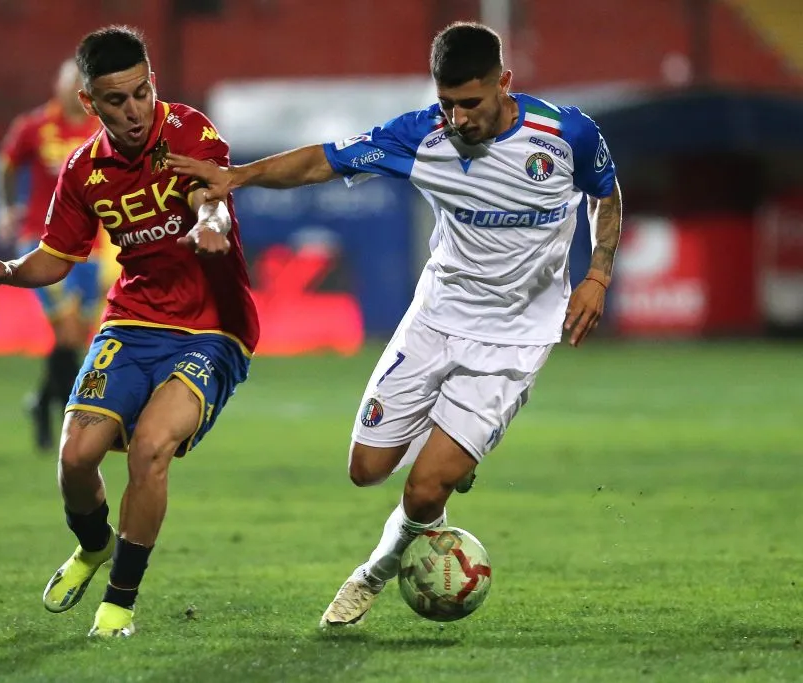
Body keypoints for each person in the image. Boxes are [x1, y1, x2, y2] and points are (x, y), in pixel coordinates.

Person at [168, 21, 622, 627]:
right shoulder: (420, 136)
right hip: (434, 320)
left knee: (423, 488)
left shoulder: (566, 133)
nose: (458, 119)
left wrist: (597, 274)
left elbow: (606, 194)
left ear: (503, 83)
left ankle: (371, 574)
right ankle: (452, 451)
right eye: (447, 104)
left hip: (514, 337)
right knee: (366, 471)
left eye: (471, 103)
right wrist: (239, 177)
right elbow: (321, 163)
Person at [0, 25, 259, 638]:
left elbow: (211, 194)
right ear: (90, 103)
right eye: (117, 100)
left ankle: (119, 602)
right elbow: (57, 258)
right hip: (133, 320)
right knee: (75, 458)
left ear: (153, 83)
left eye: (142, 92)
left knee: (150, 449)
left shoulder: (187, 131)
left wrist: (210, 222)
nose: (135, 110)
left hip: (211, 326)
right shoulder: (81, 171)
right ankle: (92, 547)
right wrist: (9, 272)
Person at [0, 59, 104, 451]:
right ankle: (76, 420)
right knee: (70, 331)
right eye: (70, 79)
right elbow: (5, 166)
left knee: (77, 336)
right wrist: (5, 208)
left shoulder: (102, 130)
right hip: (43, 243)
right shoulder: (35, 126)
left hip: (95, 248)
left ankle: (42, 403)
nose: (76, 88)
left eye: (82, 81)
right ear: (58, 85)